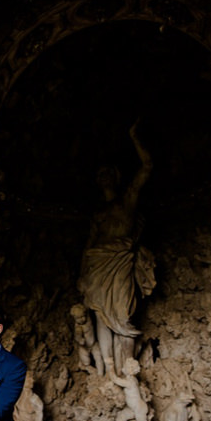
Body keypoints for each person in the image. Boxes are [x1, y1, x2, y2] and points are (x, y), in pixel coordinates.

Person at [77, 121, 155, 378]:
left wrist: (135, 139)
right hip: (97, 264)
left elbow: (147, 167)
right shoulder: (99, 214)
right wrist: (81, 275)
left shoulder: (128, 201)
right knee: (101, 316)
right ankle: (109, 371)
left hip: (120, 261)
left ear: (117, 177)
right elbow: (89, 246)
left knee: (122, 317)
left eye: (108, 174)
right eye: (100, 176)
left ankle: (127, 369)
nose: (105, 179)